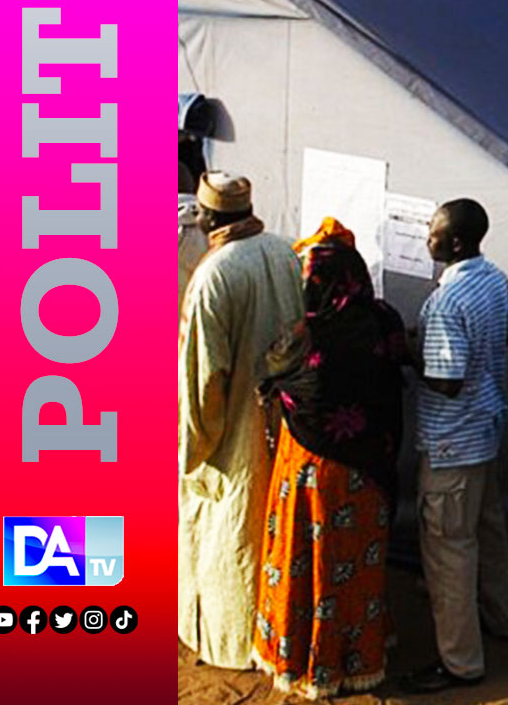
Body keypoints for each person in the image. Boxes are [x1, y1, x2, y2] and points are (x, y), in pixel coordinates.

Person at [252, 221, 409, 698]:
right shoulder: (384, 319)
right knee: (356, 563)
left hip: (312, 470)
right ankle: (361, 654)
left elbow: (285, 387)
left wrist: (274, 390)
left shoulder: (304, 335)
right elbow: (395, 376)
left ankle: (308, 660)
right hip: (369, 471)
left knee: (309, 561)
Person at [180, 172, 305, 672]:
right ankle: (274, 633)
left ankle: (229, 642)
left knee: (228, 539)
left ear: (210, 217)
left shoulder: (214, 275)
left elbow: (204, 378)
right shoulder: (284, 251)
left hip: (233, 430)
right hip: (287, 418)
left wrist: (194, 449)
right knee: (273, 530)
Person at [405, 198, 508, 693]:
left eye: (432, 232)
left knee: (450, 552)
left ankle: (460, 662)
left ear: (453, 242)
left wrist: (408, 349)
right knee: (487, 531)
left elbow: (446, 381)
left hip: (451, 442)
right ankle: (503, 616)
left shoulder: (447, 301)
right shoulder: (494, 277)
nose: (426, 239)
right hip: (485, 433)